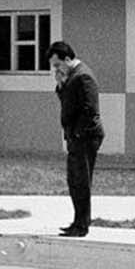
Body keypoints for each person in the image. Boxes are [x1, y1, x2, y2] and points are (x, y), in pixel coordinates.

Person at [48, 41, 103, 237]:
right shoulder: (72, 76)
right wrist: (61, 84)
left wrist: (77, 133)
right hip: (76, 136)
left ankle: (82, 225)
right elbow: (68, 102)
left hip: (85, 136)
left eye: (57, 64)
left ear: (68, 59)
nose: (56, 68)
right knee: (74, 180)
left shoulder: (83, 76)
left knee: (81, 180)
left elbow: (90, 109)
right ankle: (77, 221)